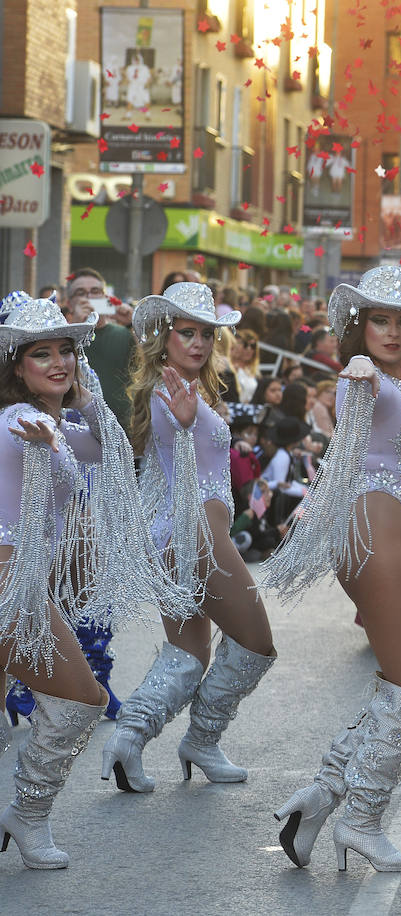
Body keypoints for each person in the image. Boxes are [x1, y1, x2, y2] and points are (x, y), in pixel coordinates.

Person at [263, 266, 401, 872]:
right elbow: (352, 418)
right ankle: (360, 820)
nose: (394, 331)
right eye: (381, 319)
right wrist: (359, 375)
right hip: (377, 530)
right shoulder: (364, 378)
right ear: (359, 325)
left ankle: (323, 795)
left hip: (398, 532)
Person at [0, 292, 183, 869]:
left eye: (65, 352)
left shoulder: (57, 420)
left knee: (78, 699)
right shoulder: (19, 420)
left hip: (25, 585)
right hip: (9, 585)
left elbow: (109, 450)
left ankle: (26, 817)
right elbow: (46, 441)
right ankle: (27, 816)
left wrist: (83, 398)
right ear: (16, 368)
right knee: (81, 697)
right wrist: (50, 431)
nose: (58, 362)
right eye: (41, 355)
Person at [102, 283, 277, 797]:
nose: (198, 343)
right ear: (164, 337)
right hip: (193, 532)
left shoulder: (179, 385)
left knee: (188, 653)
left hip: (178, 533)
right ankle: (202, 739)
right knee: (256, 643)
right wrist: (184, 426)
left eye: (206, 333)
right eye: (187, 333)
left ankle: (129, 738)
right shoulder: (168, 390)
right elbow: (177, 451)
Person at [66, 269, 135, 430]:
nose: (89, 297)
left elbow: (152, 364)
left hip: (123, 430)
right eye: (80, 292)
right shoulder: (61, 339)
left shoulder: (124, 333)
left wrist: (132, 323)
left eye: (95, 291)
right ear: (69, 304)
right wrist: (78, 326)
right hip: (77, 432)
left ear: (105, 298)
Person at [230, 329, 261, 402]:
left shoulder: (254, 370)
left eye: (253, 346)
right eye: (245, 345)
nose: (249, 349)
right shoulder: (230, 367)